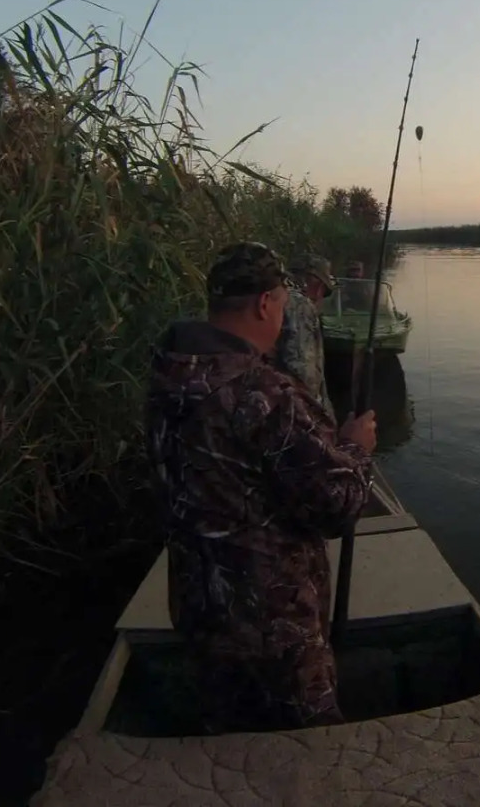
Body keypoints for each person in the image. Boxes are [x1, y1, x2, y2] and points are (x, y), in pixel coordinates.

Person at [146, 241, 377, 732]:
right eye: (282, 301)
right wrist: (356, 448)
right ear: (265, 303)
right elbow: (338, 508)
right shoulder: (263, 393)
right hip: (273, 628)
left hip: (197, 607)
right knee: (308, 751)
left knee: (227, 741)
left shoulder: (167, 373)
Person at [275, 252, 336, 419]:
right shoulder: (301, 306)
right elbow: (304, 376)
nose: (319, 297)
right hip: (296, 420)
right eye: (324, 291)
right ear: (317, 285)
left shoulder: (272, 297)